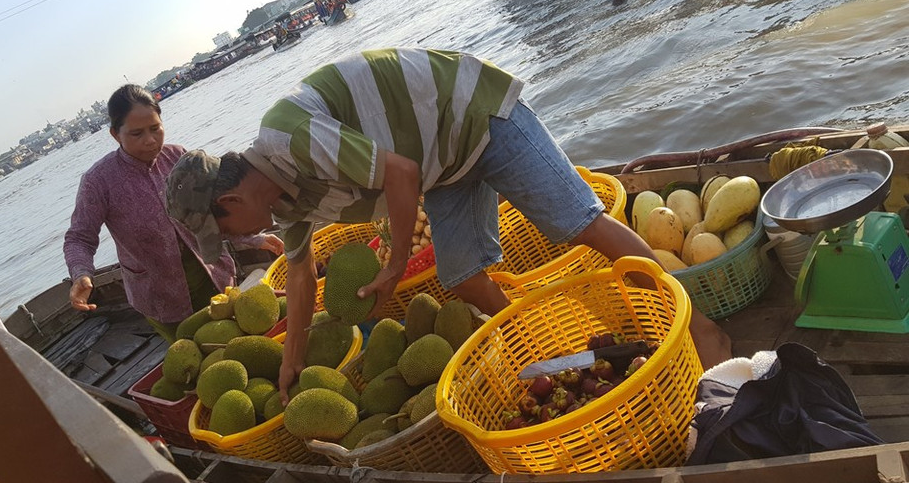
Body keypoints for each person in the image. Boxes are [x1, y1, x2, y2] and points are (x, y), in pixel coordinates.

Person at [164, 48, 732, 401]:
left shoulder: (287, 135)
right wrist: (292, 361)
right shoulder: (286, 203)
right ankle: (558, 355)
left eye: (229, 229)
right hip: (446, 167)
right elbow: (301, 274)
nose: (240, 239)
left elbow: (400, 172)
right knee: (462, 277)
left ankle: (704, 328)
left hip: (475, 115)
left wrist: (391, 266)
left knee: (578, 223)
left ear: (233, 198)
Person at [64, 84, 283, 343]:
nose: (150, 140)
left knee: (240, 340)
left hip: (214, 274)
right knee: (193, 353)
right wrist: (81, 274)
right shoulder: (98, 181)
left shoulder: (179, 157)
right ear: (115, 135)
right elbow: (79, 237)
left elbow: (219, 211)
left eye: (155, 128)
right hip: (159, 296)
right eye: (136, 134)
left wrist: (253, 239)